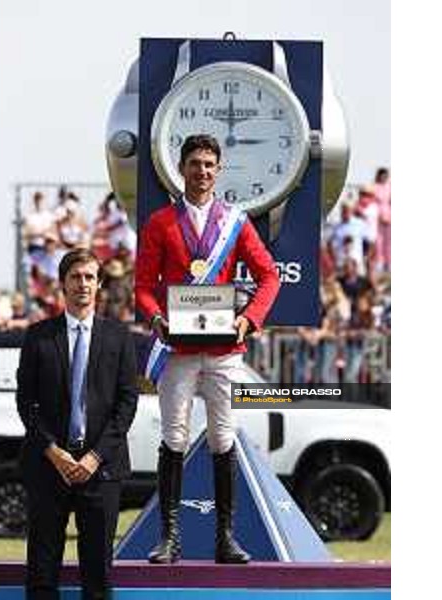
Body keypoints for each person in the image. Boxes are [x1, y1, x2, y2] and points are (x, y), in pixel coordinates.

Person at [135, 134, 281, 564]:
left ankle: (225, 537)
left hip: (222, 348)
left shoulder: (235, 221)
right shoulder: (161, 222)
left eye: (209, 164)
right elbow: (143, 287)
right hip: (178, 347)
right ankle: (169, 538)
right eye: (194, 163)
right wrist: (157, 318)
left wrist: (248, 319)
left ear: (219, 171)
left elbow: (269, 276)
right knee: (173, 436)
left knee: (223, 436)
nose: (202, 171)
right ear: (181, 169)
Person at [16, 248, 138, 600]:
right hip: (48, 467)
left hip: (101, 471)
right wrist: (53, 451)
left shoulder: (119, 337)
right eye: (75, 277)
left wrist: (94, 457)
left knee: (97, 576)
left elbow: (126, 404)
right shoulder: (38, 336)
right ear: (62, 285)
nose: (82, 284)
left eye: (89, 277)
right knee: (42, 573)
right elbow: (26, 402)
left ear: (99, 284)